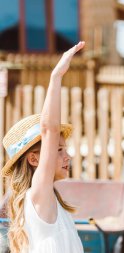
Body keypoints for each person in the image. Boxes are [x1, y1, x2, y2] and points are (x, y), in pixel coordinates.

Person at [1, 42, 85, 252]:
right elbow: (49, 130)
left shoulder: (52, 202)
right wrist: (56, 76)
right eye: (58, 150)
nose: (68, 156)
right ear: (34, 159)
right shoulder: (38, 196)